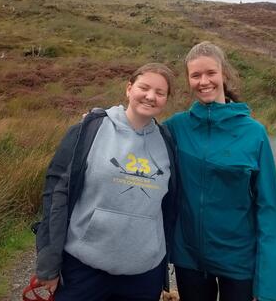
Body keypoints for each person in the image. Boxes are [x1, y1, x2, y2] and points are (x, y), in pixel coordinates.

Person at [35, 63, 178, 301]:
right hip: (83, 269)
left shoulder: (167, 142)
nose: (151, 96)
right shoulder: (88, 130)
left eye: (160, 92)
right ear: (129, 88)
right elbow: (56, 194)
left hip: (144, 275)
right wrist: (48, 263)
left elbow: (169, 206)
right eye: (144, 87)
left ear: (166, 99)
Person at [164, 42, 276, 301]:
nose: (204, 81)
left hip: (239, 261)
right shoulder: (176, 127)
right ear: (188, 80)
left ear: (224, 74)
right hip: (189, 259)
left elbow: (269, 209)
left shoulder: (253, 133)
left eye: (211, 73)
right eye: (196, 75)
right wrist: (99, 122)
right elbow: (138, 136)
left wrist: (269, 289)